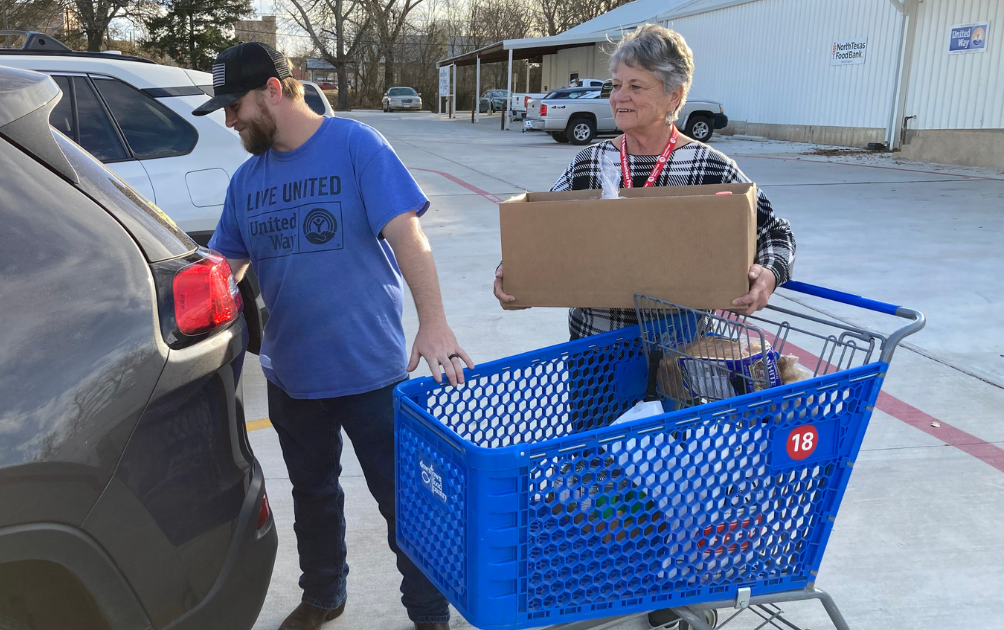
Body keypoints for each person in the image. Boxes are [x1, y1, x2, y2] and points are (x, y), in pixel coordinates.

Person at [193, 42, 469, 630]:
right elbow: (224, 265)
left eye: (235, 104)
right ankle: (324, 595)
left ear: (272, 89)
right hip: (293, 376)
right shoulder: (247, 181)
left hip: (371, 372)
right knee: (313, 497)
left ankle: (428, 614)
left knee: (403, 507)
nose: (229, 120)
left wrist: (434, 321)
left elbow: (407, 236)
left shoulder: (355, 145)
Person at [494, 23, 796, 338]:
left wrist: (769, 275)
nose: (620, 97)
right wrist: (512, 271)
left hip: (681, 353)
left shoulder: (711, 168)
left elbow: (776, 233)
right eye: (616, 85)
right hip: (595, 354)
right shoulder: (588, 164)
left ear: (673, 96)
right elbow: (540, 232)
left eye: (636, 87)